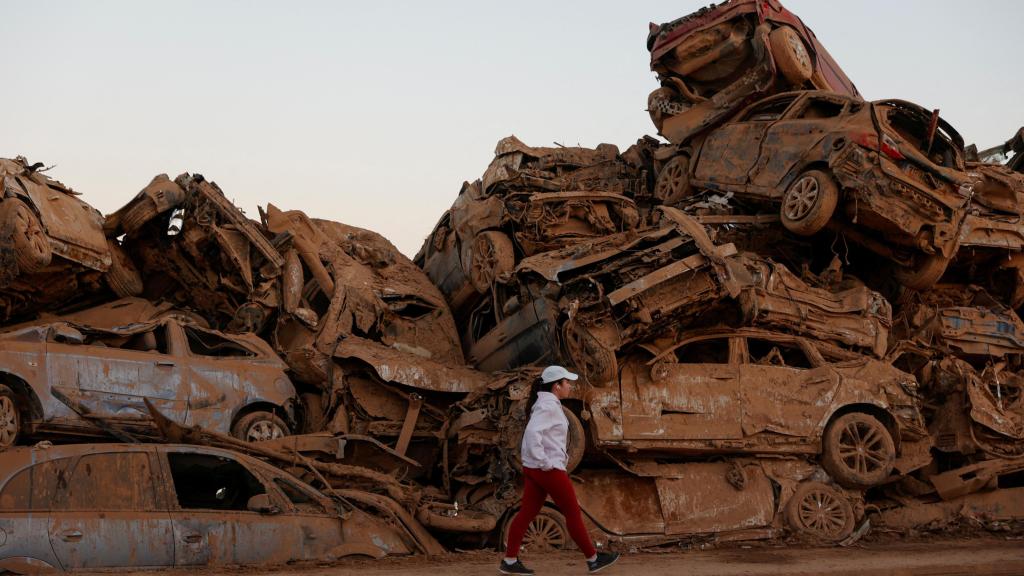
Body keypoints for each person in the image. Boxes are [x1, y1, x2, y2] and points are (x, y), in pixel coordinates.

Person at [499, 365, 620, 575]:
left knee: (527, 513)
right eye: (567, 383)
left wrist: (539, 462)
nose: (570, 387)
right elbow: (532, 435)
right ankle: (593, 559)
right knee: (572, 513)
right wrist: (545, 462)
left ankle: (509, 561)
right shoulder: (548, 407)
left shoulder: (546, 404)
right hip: (547, 470)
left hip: (536, 469)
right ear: (556, 386)